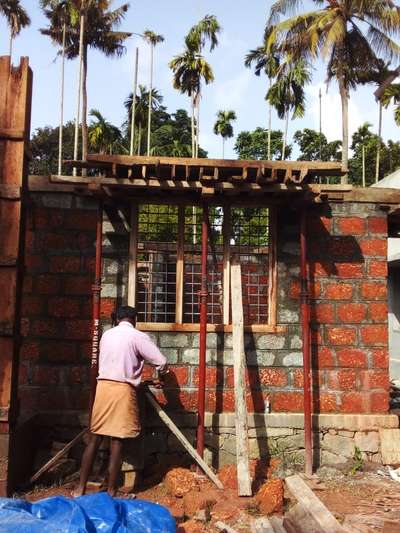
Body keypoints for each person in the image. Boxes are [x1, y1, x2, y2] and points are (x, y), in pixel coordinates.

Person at [73, 305, 168, 497]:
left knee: (96, 437)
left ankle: (79, 488)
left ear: (117, 319)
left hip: (103, 388)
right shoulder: (137, 336)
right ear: (133, 320)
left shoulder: (107, 335)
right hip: (123, 390)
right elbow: (161, 361)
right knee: (117, 440)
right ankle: (111, 490)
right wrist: (160, 375)